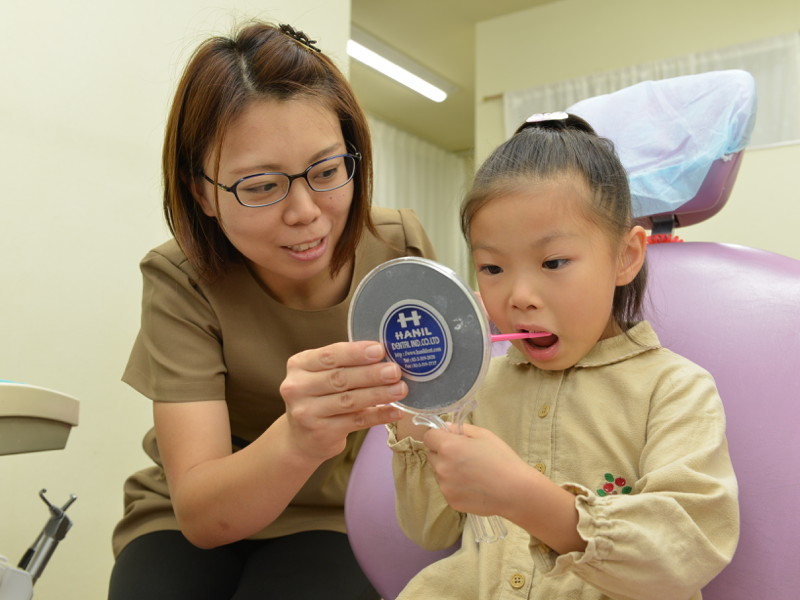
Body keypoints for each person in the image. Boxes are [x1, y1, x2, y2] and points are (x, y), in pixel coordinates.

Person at [107, 21, 433, 600]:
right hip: (190, 518)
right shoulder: (180, 279)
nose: (306, 213)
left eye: (328, 171)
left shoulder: (398, 250)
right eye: (260, 186)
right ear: (202, 192)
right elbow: (204, 517)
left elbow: (433, 424)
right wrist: (300, 438)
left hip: (332, 516)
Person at [390, 113, 738, 600]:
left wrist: (529, 501)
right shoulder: (476, 382)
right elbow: (429, 530)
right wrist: (414, 405)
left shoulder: (675, 389)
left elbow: (687, 548)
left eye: (553, 262)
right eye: (492, 267)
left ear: (626, 256)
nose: (519, 296)